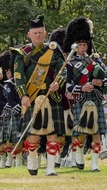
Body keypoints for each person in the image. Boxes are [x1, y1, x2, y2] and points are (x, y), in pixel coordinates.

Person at [12, 15, 66, 176]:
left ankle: (50, 168)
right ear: (29, 34)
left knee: (52, 133)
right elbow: (18, 76)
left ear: (45, 33)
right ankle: (32, 159)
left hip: (51, 95)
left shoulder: (53, 50)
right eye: (35, 33)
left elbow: (63, 70)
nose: (38, 35)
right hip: (32, 96)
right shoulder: (21, 53)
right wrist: (23, 95)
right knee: (33, 133)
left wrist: (59, 83)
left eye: (41, 32)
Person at [63, 16, 103, 172]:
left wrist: (101, 83)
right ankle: (78, 156)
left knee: (96, 132)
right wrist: (81, 88)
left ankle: (94, 164)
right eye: (79, 45)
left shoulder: (96, 61)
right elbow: (67, 87)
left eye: (84, 44)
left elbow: (105, 78)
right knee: (81, 133)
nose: (82, 48)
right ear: (74, 46)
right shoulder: (70, 64)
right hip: (81, 99)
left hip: (95, 99)